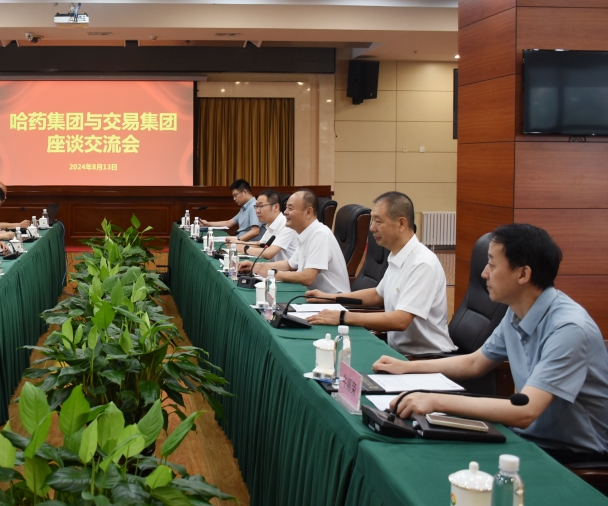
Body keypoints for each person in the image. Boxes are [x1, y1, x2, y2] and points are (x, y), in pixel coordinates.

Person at [373, 224, 608, 463]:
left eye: (492, 265)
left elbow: (525, 412)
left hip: (573, 452)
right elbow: (475, 363)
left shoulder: (568, 329)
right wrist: (407, 367)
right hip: (530, 436)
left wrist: (434, 400)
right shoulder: (516, 311)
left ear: (523, 274)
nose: (484, 273)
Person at [305, 192, 456, 357]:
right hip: (399, 352)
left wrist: (343, 317)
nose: (371, 228)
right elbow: (378, 294)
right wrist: (330, 298)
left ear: (401, 223)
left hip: (427, 358)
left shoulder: (422, 263)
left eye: (378, 221)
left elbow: (401, 320)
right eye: (372, 221)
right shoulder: (397, 254)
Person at [241, 190, 349, 294]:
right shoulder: (304, 233)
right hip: (312, 295)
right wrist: (257, 266)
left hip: (332, 301)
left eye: (290, 208)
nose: (285, 212)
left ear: (308, 212)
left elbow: (308, 277)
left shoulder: (320, 234)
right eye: (286, 208)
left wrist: (271, 273)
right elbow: (290, 264)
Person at [232, 190, 298, 263]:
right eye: (256, 206)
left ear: (275, 207)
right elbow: (260, 244)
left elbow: (269, 253)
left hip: (284, 269)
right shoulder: (270, 224)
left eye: (261, 206)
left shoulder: (286, 225)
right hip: (271, 266)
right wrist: (237, 243)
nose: (257, 211)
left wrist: (244, 248)